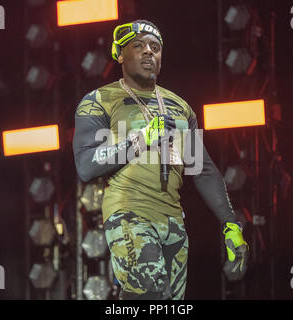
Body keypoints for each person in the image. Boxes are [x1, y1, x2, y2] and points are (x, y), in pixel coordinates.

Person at [73, 19, 249, 300]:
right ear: (119, 54)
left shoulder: (179, 106)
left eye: (155, 47)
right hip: (128, 212)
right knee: (150, 293)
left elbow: (203, 170)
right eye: (138, 46)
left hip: (173, 221)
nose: (148, 52)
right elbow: (85, 165)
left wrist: (231, 224)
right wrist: (142, 138)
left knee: (166, 301)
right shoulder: (99, 100)